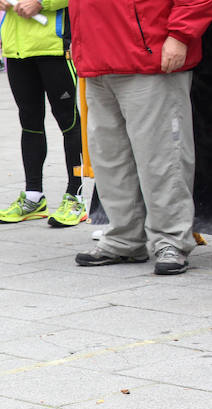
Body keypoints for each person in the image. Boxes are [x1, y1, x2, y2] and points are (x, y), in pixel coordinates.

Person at [70, 0, 212, 274]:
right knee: (110, 159)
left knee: (162, 159)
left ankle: (170, 239)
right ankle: (125, 238)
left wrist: (179, 36)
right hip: (98, 58)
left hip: (150, 57)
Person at [0, 0, 84, 227]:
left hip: (54, 47)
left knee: (68, 122)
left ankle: (75, 196)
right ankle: (33, 197)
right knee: (29, 122)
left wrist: (41, 2)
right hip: (17, 49)